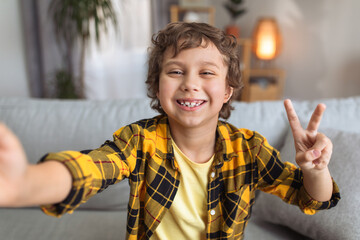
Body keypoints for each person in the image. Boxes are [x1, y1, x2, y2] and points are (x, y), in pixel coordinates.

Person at [0, 22, 340, 240]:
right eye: (176, 71)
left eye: (206, 73)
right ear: (157, 86)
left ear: (226, 92)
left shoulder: (249, 149)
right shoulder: (139, 141)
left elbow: (311, 198)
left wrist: (317, 169)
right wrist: (24, 184)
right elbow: (89, 169)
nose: (190, 84)